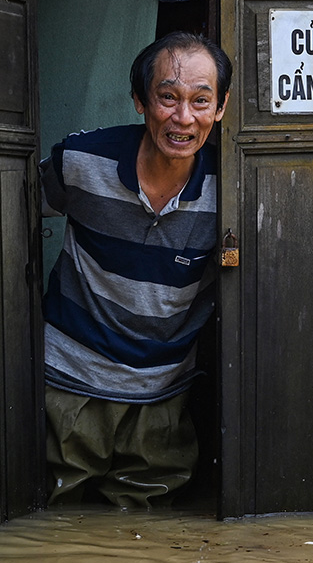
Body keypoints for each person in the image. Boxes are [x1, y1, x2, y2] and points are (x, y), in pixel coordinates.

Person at [39, 31, 231, 507]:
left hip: (162, 399)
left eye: (200, 101)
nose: (183, 118)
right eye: (168, 97)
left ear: (221, 108)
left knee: (142, 544)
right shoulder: (81, 163)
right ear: (140, 102)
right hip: (67, 388)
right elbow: (0, 210)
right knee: (53, 528)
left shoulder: (232, 190)